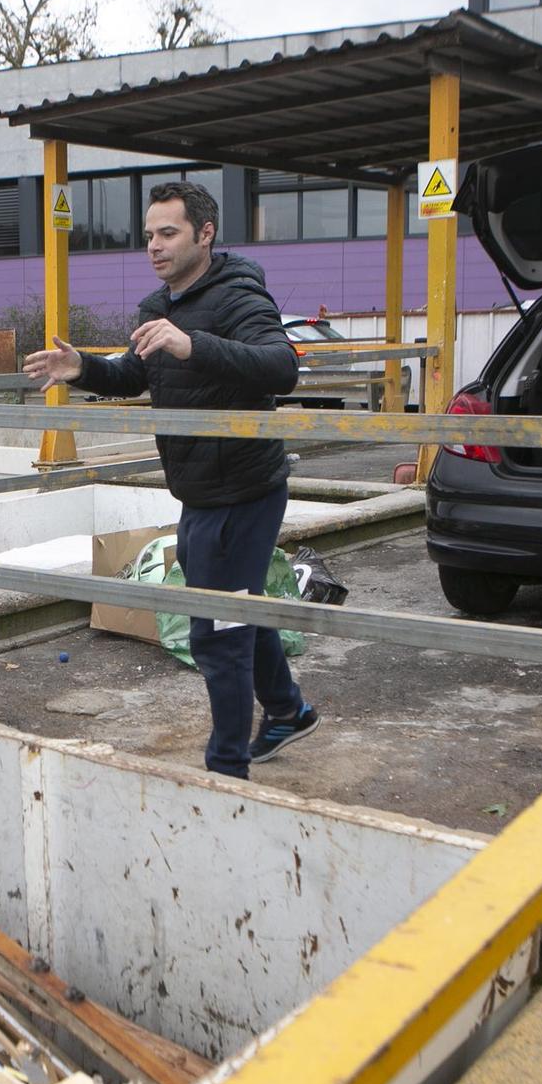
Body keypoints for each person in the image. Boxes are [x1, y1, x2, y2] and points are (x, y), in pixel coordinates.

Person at [23, 180, 317, 780]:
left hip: (244, 490)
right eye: (150, 235)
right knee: (237, 610)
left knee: (215, 633)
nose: (154, 246)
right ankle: (288, 709)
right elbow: (136, 373)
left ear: (204, 234)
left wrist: (195, 345)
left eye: (169, 233)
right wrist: (83, 368)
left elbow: (282, 367)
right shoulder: (159, 307)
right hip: (201, 492)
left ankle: (226, 770)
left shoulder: (238, 296)